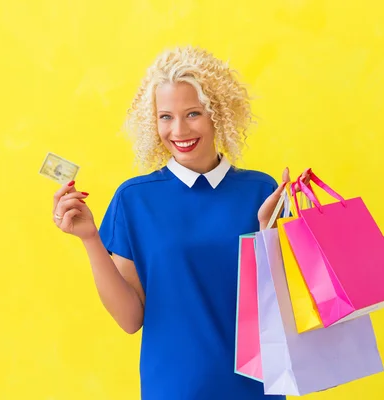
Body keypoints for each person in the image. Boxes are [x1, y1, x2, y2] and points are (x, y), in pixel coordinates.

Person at [51, 46, 309, 399]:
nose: (179, 130)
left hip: (256, 388)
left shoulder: (260, 192)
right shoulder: (134, 200)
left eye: (193, 114)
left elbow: (287, 306)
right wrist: (90, 239)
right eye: (166, 117)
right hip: (173, 387)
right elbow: (130, 319)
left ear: (217, 114)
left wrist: (269, 234)